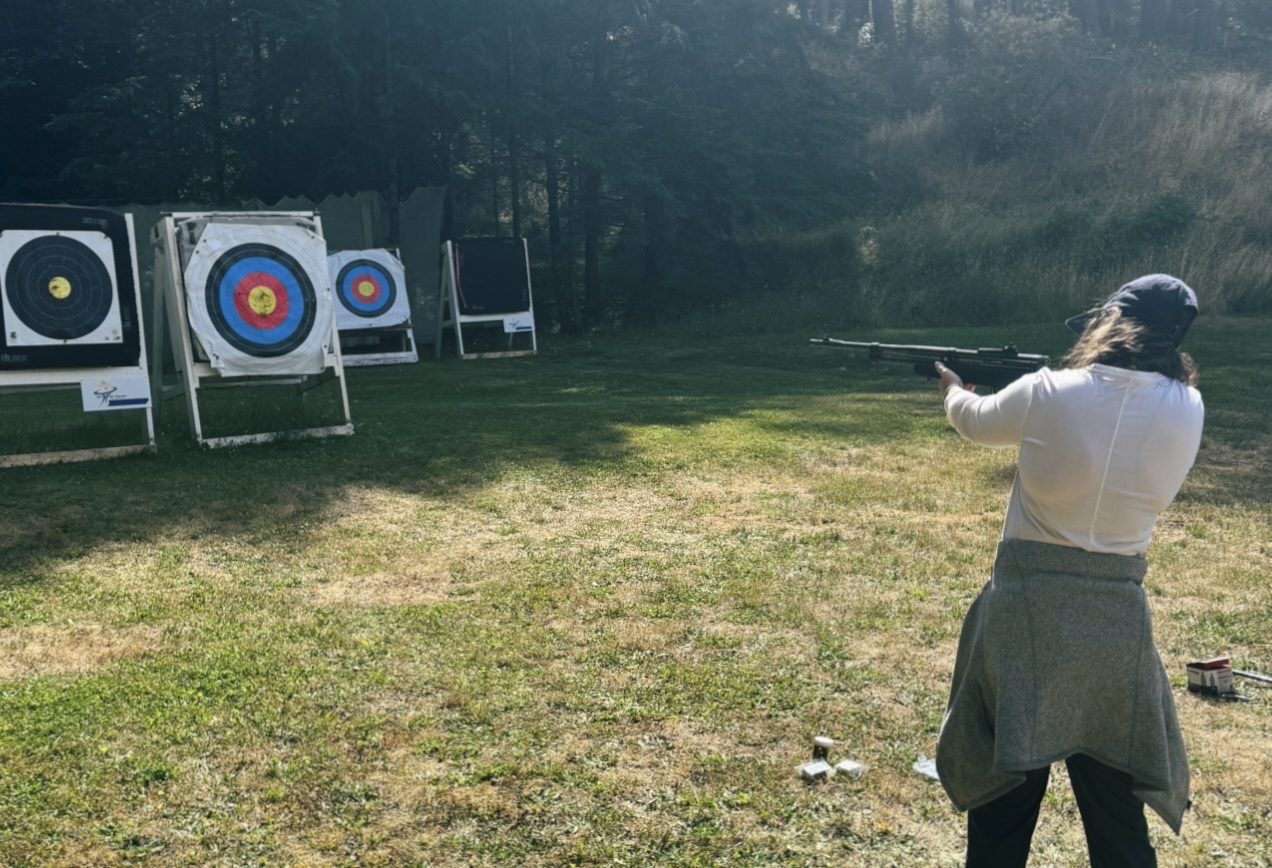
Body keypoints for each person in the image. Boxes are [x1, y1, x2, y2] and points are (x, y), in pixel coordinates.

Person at [932, 274, 1204, 867]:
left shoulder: (1049, 390)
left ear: (1111, 321)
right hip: (1117, 622)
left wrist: (952, 385)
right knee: (1117, 823)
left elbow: (972, 419)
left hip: (1027, 612)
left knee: (1002, 808)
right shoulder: (1190, 406)